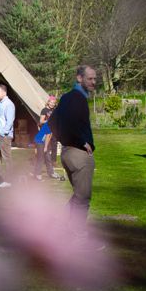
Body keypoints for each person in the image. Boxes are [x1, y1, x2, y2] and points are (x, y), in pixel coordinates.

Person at [50, 65, 98, 231]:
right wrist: (80, 141)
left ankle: (60, 229)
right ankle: (78, 240)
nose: (93, 82)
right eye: (90, 78)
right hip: (78, 154)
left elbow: (52, 122)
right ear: (79, 78)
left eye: (95, 79)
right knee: (82, 199)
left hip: (67, 152)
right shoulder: (77, 98)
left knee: (78, 196)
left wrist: (63, 140)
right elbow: (70, 123)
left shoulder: (66, 97)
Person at [0, 84, 15, 188]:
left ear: (4, 92)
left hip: (4, 136)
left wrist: (2, 133)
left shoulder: (9, 104)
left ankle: (9, 181)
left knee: (6, 158)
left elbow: (10, 121)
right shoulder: (1, 103)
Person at [33, 95, 60, 180]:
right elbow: (41, 122)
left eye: (54, 103)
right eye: (51, 102)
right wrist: (45, 147)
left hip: (48, 136)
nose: (52, 104)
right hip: (42, 137)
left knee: (48, 156)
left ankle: (51, 172)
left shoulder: (54, 112)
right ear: (48, 102)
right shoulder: (44, 111)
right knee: (41, 157)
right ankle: (37, 174)